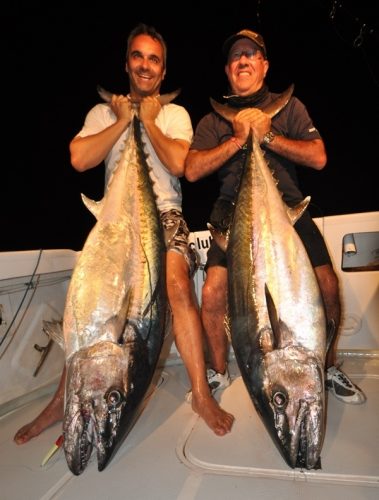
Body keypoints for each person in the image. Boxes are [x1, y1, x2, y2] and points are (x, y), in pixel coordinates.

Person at [14, 23, 234, 446]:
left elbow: (177, 164)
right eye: (138, 56)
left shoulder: (174, 114)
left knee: (176, 284)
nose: (145, 65)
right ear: (127, 62)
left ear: (163, 70)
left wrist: (148, 121)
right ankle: (60, 400)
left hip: (164, 215)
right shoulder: (102, 113)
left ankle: (202, 395)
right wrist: (122, 120)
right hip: (115, 222)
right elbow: (79, 159)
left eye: (154, 58)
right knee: (85, 307)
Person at [184, 29, 366, 405]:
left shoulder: (290, 107)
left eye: (251, 54)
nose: (243, 61)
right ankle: (219, 371)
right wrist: (238, 139)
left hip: (287, 206)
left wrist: (266, 136)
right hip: (230, 209)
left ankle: (326, 365)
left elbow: (318, 157)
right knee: (212, 291)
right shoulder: (213, 121)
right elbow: (191, 170)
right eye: (236, 57)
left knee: (328, 283)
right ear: (228, 69)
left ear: (264, 65)